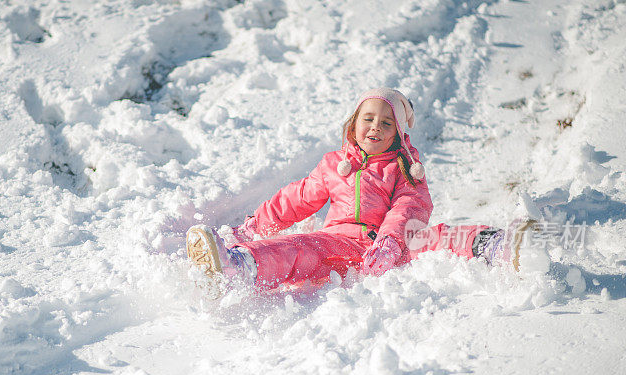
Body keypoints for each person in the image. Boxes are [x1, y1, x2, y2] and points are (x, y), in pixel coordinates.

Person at [186, 87, 545, 297]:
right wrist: (252, 228)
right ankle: (238, 265)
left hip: (394, 244)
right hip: (340, 242)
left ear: (398, 135)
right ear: (353, 125)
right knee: (302, 247)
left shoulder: (404, 169)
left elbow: (409, 206)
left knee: (436, 236)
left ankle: (497, 245)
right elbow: (295, 200)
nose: (375, 126)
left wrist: (389, 243)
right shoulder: (333, 165)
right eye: (368, 119)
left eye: (386, 122)